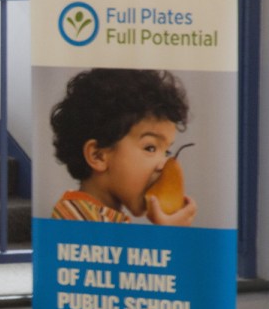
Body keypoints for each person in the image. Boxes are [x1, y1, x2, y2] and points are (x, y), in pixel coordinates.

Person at [49, 68, 197, 226]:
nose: (165, 164)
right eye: (150, 148)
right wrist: (169, 237)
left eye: (166, 151)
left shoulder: (108, 220)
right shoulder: (76, 219)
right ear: (97, 156)